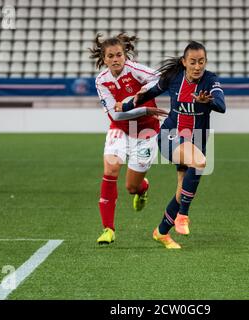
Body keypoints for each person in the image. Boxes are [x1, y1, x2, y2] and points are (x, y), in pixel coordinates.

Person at [119, 41, 226, 249]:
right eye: (193, 62)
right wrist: (125, 105)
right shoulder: (173, 78)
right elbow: (148, 94)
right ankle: (183, 216)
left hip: (197, 140)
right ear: (184, 62)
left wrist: (208, 102)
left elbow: (222, 106)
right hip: (171, 135)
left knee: (181, 190)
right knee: (200, 162)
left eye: (201, 62)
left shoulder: (210, 80)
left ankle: (160, 232)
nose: (197, 66)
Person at [89, 33, 168, 245]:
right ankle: (108, 229)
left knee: (131, 187)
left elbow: (161, 79)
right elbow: (115, 115)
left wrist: (145, 91)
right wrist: (145, 108)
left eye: (119, 55)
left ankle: (142, 189)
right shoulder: (101, 81)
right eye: (111, 56)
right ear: (104, 59)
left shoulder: (136, 70)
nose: (116, 59)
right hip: (120, 128)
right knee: (111, 169)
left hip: (146, 131)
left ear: (126, 56)